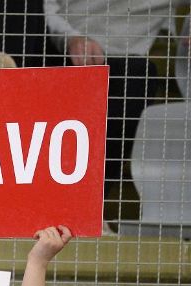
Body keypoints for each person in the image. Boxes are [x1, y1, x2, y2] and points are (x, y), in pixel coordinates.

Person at [43, 0, 190, 223]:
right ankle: (63, 211)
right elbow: (38, 8)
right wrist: (70, 38)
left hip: (125, 66)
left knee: (138, 75)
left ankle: (84, 213)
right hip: (59, 50)